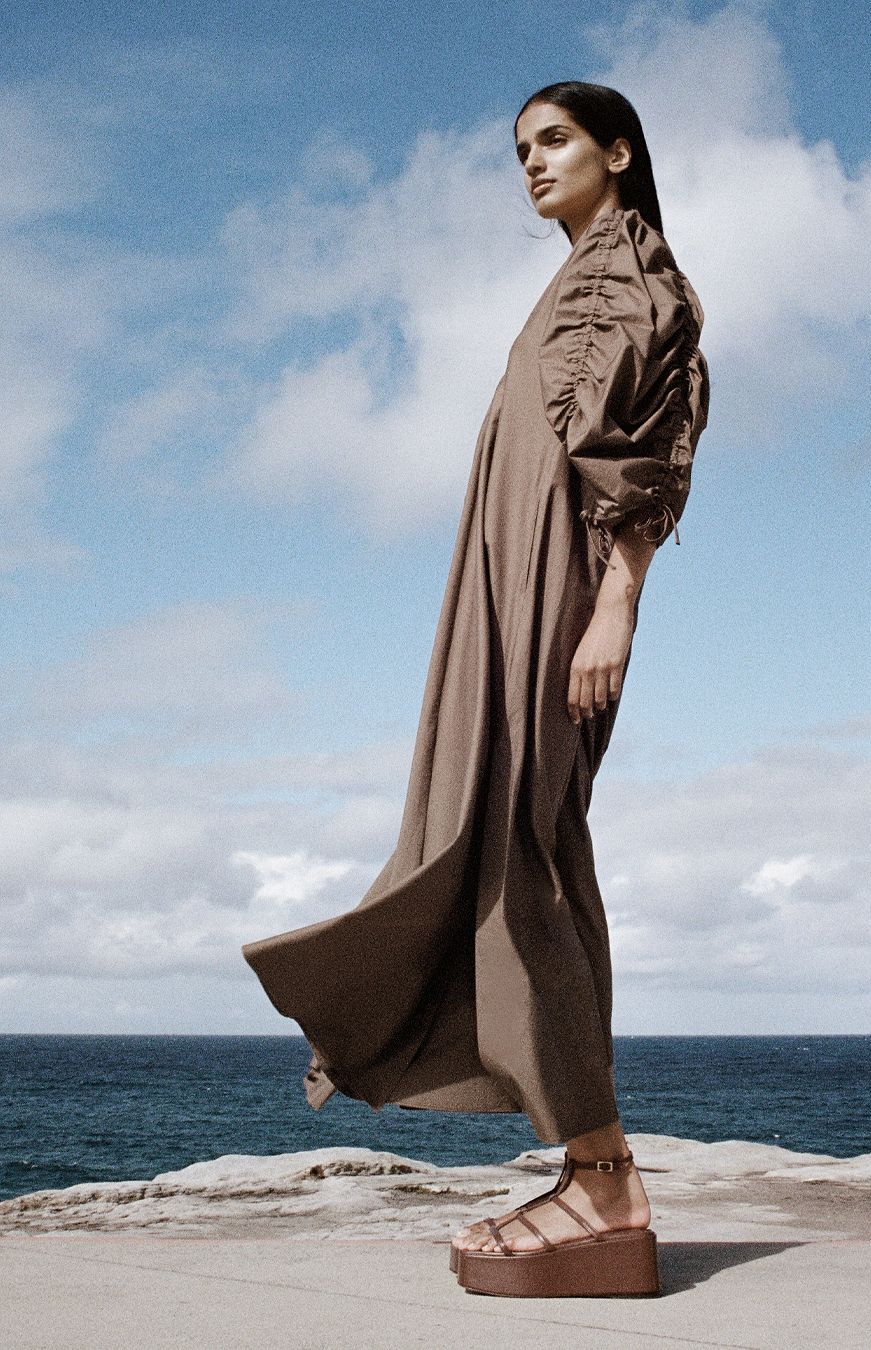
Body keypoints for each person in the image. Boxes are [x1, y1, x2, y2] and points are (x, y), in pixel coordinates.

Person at [241, 80, 710, 1298]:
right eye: (520, 151)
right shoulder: (574, 280)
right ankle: (593, 1172)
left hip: (558, 594)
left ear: (620, 151)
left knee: (518, 848)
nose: (533, 164)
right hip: (505, 590)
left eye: (555, 141)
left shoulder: (633, 279)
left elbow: (644, 465)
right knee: (502, 840)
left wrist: (614, 606)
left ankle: (604, 1184)